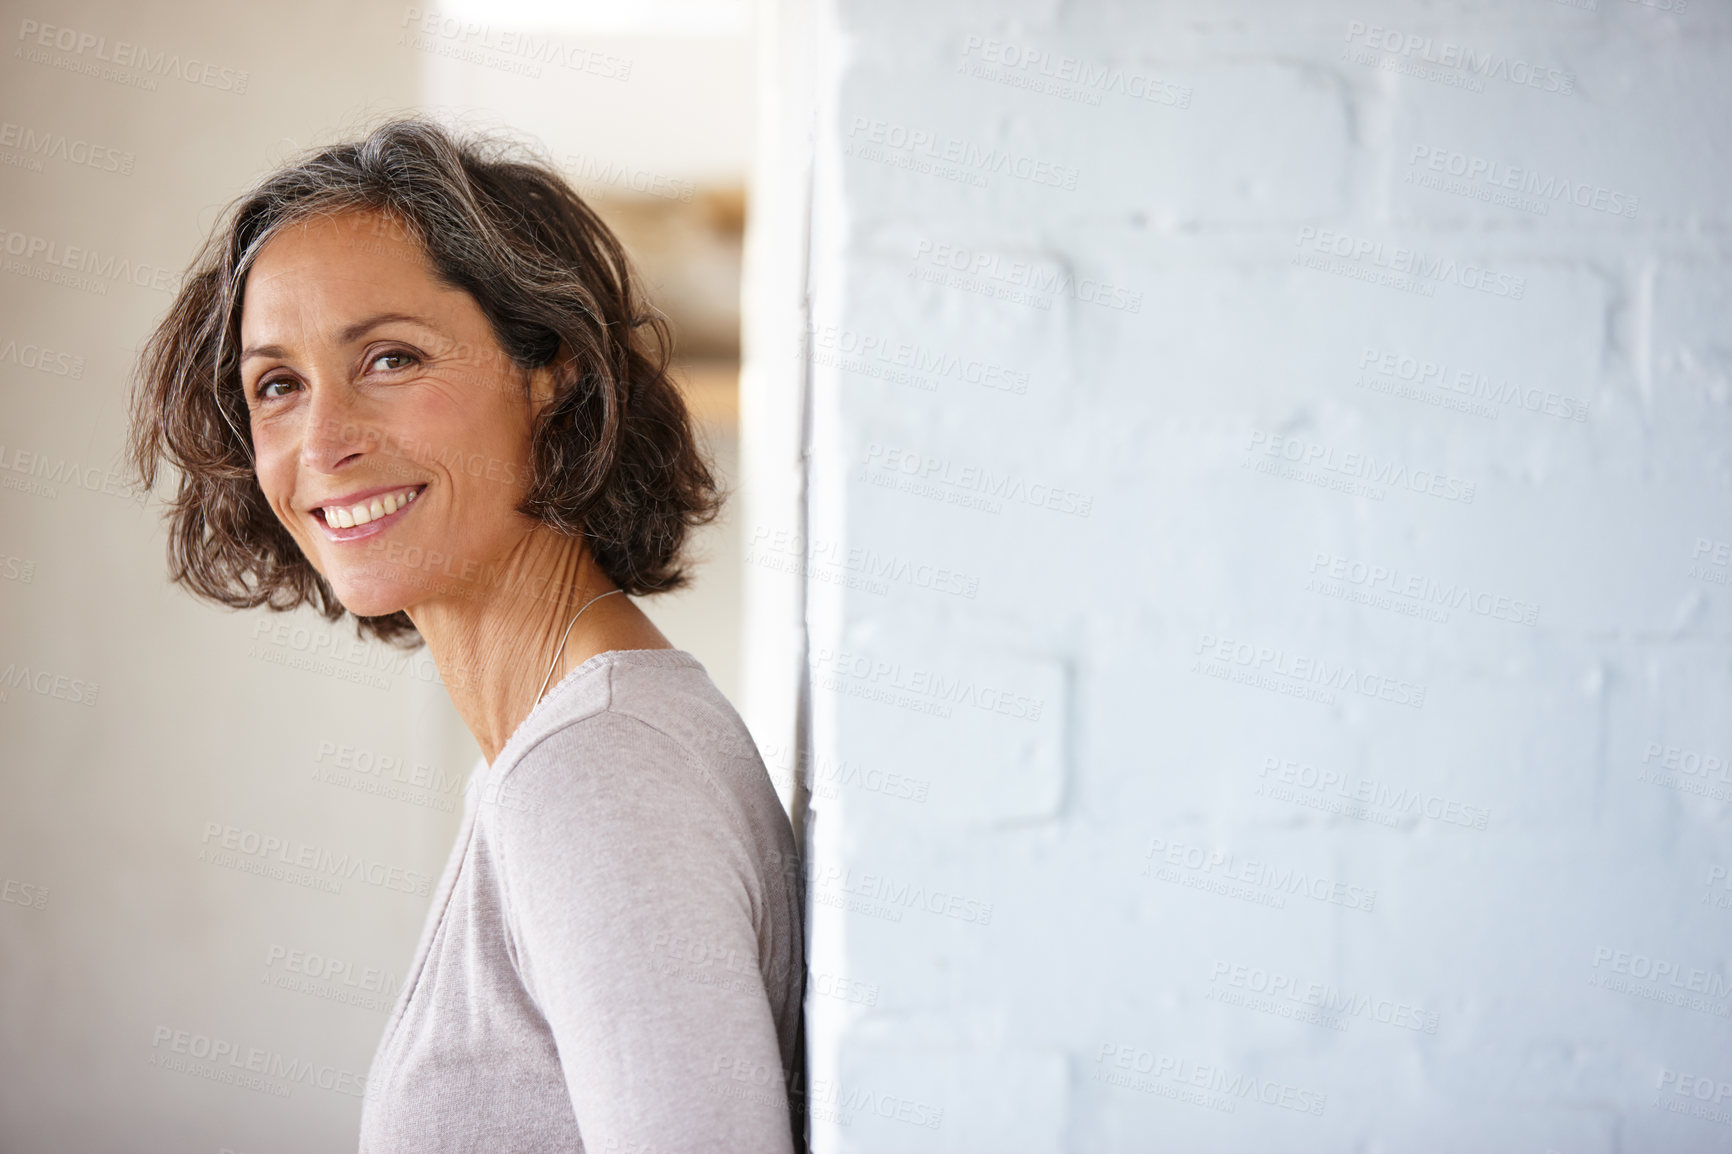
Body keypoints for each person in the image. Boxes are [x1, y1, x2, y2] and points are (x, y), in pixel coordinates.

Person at [127, 118, 805, 1153]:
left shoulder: (595, 770)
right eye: (278, 384)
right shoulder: (557, 748)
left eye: (390, 357)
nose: (324, 441)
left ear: (553, 371)